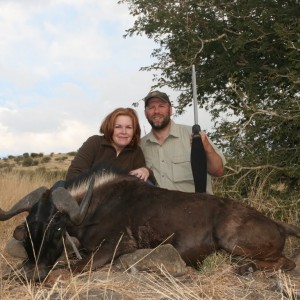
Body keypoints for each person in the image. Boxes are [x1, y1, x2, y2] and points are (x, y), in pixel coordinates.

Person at [140, 91, 226, 194]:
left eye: (161, 106)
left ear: (170, 110)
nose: (156, 111)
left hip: (198, 207)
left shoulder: (195, 136)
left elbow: (218, 171)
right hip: (158, 209)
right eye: (151, 107)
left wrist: (207, 147)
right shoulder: (140, 146)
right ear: (145, 113)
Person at [66, 107, 156, 184]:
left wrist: (146, 171)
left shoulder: (135, 151)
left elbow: (148, 182)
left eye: (129, 127)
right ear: (109, 128)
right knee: (59, 185)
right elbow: (73, 174)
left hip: (118, 201)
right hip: (88, 198)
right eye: (118, 127)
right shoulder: (94, 142)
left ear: (134, 131)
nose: (123, 132)